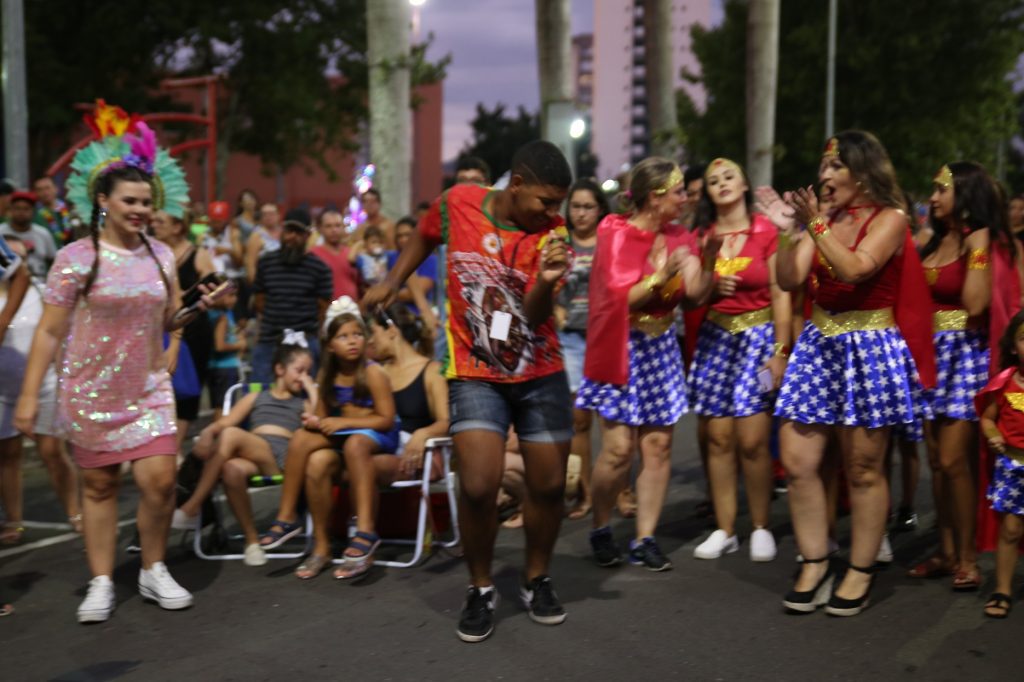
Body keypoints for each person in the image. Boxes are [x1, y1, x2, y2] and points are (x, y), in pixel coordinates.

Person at [363, 140, 575, 643]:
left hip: (540, 372)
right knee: (479, 486)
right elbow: (424, 233)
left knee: (547, 487)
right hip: (475, 371)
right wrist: (395, 279)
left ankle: (536, 577)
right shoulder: (459, 201)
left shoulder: (553, 234)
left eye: (559, 203)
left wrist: (545, 280)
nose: (554, 212)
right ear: (516, 185)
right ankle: (480, 587)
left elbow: (537, 314)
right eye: (546, 200)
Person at [14, 122, 213, 623]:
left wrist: (196, 307)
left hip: (147, 388)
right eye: (130, 201)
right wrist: (29, 396)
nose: (141, 210)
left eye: (147, 201)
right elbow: (49, 333)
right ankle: (102, 581)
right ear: (103, 200)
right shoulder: (75, 259)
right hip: (91, 391)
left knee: (161, 481)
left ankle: (153, 567)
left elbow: (168, 319)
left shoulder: (162, 255)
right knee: (100, 487)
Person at [758, 130, 935, 617]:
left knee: (862, 466)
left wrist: (814, 225)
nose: (824, 175)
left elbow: (856, 269)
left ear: (863, 172)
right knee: (797, 460)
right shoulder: (823, 219)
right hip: (817, 344)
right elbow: (791, 280)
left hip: (869, 346)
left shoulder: (892, 218)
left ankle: (859, 569)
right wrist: (786, 228)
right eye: (823, 167)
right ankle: (815, 560)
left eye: (835, 167)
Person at [577, 157, 717, 572]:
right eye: (678, 192)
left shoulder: (680, 236)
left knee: (658, 446)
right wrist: (661, 276)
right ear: (655, 197)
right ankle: (601, 525)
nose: (686, 198)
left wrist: (706, 261)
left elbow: (694, 295)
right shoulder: (614, 231)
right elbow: (618, 298)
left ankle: (645, 537)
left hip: (660, 347)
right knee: (619, 451)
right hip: (622, 344)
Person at [688, 158, 790, 562]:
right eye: (713, 181)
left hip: (759, 340)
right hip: (716, 340)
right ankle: (725, 528)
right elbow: (694, 296)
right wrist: (712, 274)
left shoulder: (766, 231)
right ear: (708, 193)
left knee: (753, 442)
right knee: (718, 439)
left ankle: (761, 526)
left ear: (745, 184)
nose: (722, 184)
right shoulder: (702, 235)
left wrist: (780, 352)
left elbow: (782, 293)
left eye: (729, 176)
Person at [907, 162, 997, 590]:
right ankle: (944, 552)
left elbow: (976, 304)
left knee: (953, 460)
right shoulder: (934, 240)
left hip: (965, 356)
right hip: (928, 356)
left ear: (964, 194)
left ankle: (968, 558)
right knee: (936, 465)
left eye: (941, 190)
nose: (933, 198)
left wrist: (976, 242)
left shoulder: (981, 241)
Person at [171, 343, 314, 566]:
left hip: (284, 457)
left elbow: (317, 421)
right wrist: (208, 432)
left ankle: (193, 505)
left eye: (308, 372)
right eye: (300, 370)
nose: (304, 377)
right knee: (231, 469)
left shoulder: (303, 402)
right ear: (280, 369)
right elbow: (225, 421)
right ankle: (252, 541)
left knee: (229, 436)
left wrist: (312, 391)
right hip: (256, 455)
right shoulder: (256, 397)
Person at [291, 312, 399, 580]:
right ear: (329, 345)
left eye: (357, 334)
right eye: (343, 336)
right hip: (348, 436)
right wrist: (314, 421)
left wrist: (339, 422)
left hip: (377, 440)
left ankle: (365, 532)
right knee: (315, 458)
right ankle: (318, 544)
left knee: (355, 444)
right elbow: (322, 417)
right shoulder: (328, 374)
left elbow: (386, 420)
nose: (352, 341)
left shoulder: (373, 372)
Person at [0, 236, 81, 543]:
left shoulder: (37, 292)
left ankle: (75, 512)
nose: (15, 258)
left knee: (51, 452)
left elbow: (55, 333)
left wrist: (64, 375)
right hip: (2, 389)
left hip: (42, 383)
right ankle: (14, 520)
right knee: (7, 455)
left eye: (20, 253)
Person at [555, 178, 609, 520]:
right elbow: (546, 282)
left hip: (605, 337)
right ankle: (585, 494)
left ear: (600, 209)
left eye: (589, 206)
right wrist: (553, 308)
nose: (581, 213)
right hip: (571, 338)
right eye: (576, 206)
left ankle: (618, 491)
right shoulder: (561, 243)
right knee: (579, 420)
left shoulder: (610, 240)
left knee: (612, 418)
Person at [367, 303, 450, 485]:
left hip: (419, 456)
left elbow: (447, 421)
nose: (370, 341)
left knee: (365, 467)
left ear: (391, 330)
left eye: (373, 332)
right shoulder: (377, 372)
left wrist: (424, 433)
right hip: (385, 448)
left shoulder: (432, 371)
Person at [152, 208, 215, 440]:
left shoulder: (197, 254)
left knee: (186, 390)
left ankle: (175, 449)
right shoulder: (151, 253)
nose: (154, 224)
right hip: (158, 328)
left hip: (193, 330)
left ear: (177, 226)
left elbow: (213, 290)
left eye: (160, 220)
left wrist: (182, 296)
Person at [977, 310, 1024, 618]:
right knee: (1010, 530)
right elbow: (987, 417)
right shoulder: (1005, 384)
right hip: (1014, 468)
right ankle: (1002, 588)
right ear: (1012, 346)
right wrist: (993, 435)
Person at [250, 219, 333, 382]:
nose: (292, 237)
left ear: (307, 236)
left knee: (307, 395)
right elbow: (259, 300)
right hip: (270, 338)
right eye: (289, 231)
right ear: (282, 232)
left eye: (298, 233)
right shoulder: (266, 263)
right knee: (259, 392)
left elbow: (323, 308)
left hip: (305, 340)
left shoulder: (320, 268)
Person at [0, 191, 57, 281]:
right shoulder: (1, 232)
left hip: (39, 283)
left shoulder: (43, 233)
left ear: (33, 212)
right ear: (10, 210)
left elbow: (54, 262)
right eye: (17, 208)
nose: (21, 212)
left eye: (26, 209)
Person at [207, 288, 246, 411]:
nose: (234, 300)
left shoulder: (223, 313)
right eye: (230, 295)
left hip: (218, 367)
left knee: (223, 407)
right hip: (224, 367)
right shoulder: (221, 317)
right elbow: (219, 345)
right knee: (224, 410)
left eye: (235, 295)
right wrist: (239, 345)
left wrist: (237, 334)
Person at [310, 209, 360, 300]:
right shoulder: (312, 255)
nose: (334, 230)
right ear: (320, 229)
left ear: (343, 227)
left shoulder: (351, 254)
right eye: (328, 226)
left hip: (352, 309)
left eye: (338, 225)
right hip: (324, 311)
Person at [244, 202, 282, 284]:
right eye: (265, 214)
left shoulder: (284, 234)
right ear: (261, 217)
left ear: (278, 216)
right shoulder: (256, 236)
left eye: (271, 214)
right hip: (265, 280)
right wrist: (255, 285)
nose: (268, 217)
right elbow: (250, 263)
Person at [351, 225, 394, 290]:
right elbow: (351, 258)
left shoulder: (386, 255)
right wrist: (360, 243)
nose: (377, 245)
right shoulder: (363, 258)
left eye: (380, 242)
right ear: (366, 244)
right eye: (374, 242)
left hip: (384, 288)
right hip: (369, 289)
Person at [33, 176, 72, 247]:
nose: (44, 192)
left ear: (56, 189)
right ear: (36, 193)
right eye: (40, 189)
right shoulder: (34, 214)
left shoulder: (69, 210)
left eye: (47, 188)